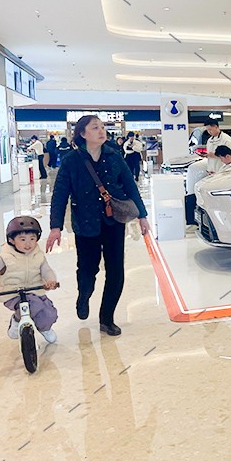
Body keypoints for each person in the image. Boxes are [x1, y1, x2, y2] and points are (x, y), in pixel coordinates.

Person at [47, 115, 151, 336]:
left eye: (102, 127)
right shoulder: (71, 160)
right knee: (88, 268)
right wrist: (56, 227)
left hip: (114, 221)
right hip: (85, 222)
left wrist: (142, 215)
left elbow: (130, 186)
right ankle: (84, 295)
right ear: (83, 133)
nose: (101, 131)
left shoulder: (114, 156)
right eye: (95, 127)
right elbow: (60, 194)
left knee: (116, 270)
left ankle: (107, 318)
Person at [0, 216, 60, 343]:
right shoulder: (5, 257)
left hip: (35, 290)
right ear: (11, 240)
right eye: (22, 239)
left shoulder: (38, 255)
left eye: (32, 239)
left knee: (50, 313)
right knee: (34, 304)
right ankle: (17, 320)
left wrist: (51, 280)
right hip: (12, 294)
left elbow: (47, 271)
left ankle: (45, 329)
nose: (28, 244)